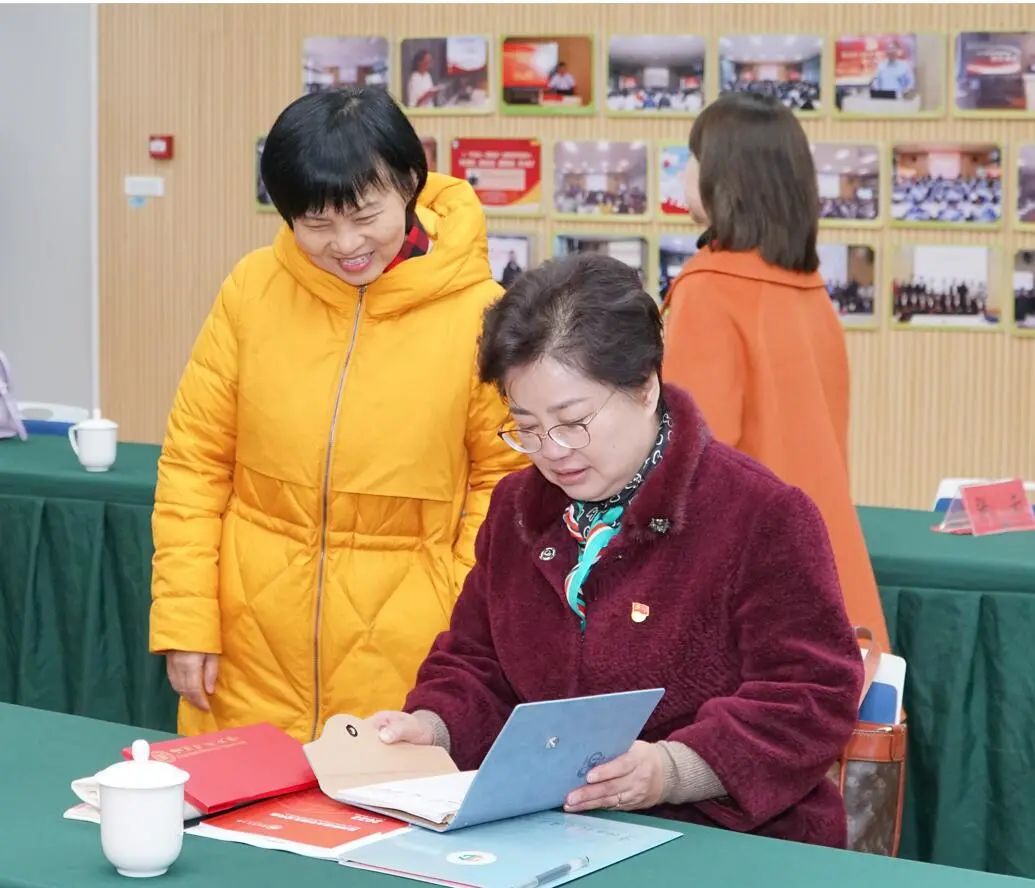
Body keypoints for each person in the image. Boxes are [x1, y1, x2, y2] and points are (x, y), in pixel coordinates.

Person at [369, 254, 863, 847]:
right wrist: (434, 725)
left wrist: (674, 770)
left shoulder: (760, 514)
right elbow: (476, 662)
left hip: (727, 843)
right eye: (525, 425)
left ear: (645, 386)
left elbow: (811, 695)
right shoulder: (517, 510)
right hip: (550, 835)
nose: (551, 449)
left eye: (573, 421)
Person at [150, 87, 526, 742]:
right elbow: (195, 464)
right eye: (315, 223)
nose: (345, 244)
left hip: (412, 661)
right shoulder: (251, 290)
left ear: (409, 184)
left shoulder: (480, 314)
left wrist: (458, 633)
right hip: (246, 654)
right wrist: (187, 620)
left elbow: (503, 487)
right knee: (238, 834)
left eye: (363, 215)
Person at [661, 92, 890, 651]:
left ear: (720, 176)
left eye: (691, 155)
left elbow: (693, 465)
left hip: (751, 583)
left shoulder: (710, 291)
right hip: (831, 565)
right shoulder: (810, 293)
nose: (684, 169)